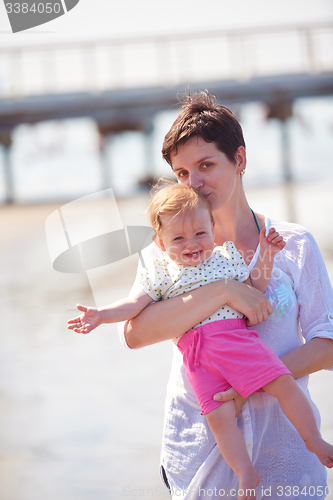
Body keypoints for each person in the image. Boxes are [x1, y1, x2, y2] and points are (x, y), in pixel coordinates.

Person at [120, 92, 333, 499]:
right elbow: (134, 333)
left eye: (206, 165)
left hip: (285, 454)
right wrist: (221, 291)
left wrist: (252, 382)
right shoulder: (167, 252)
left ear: (240, 160)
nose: (194, 183)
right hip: (200, 457)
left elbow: (328, 345)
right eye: (182, 173)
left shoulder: (294, 244)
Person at [68, 181, 333, 499]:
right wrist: (102, 314)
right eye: (178, 238)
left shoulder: (225, 259)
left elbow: (255, 287)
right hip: (199, 357)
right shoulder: (162, 272)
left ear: (212, 229)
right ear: (161, 244)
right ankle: (244, 470)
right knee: (219, 419)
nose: (191, 243)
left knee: (282, 383)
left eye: (200, 234)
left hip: (238, 343)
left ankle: (312, 439)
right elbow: (134, 307)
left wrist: (267, 253)